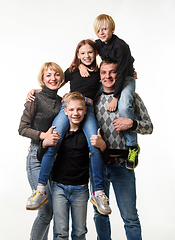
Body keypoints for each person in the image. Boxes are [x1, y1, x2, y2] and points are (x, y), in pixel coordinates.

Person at [26, 39, 111, 215]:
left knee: (94, 144)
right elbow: (54, 83)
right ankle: (40, 190)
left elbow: (111, 79)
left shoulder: (98, 72)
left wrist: (129, 74)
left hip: (87, 110)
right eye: (82, 53)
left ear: (95, 54)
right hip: (69, 109)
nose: (86, 56)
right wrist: (35, 91)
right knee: (53, 140)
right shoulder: (73, 70)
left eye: (90, 52)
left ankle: (98, 192)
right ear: (77, 55)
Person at [90, 58, 153, 240]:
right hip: (97, 165)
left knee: (130, 217)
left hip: (123, 165)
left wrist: (131, 123)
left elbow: (149, 127)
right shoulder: (93, 97)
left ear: (119, 74)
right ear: (99, 75)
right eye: (104, 72)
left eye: (113, 72)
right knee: (99, 215)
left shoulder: (130, 96)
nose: (108, 76)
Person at [81, 14, 139, 169]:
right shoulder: (98, 44)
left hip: (124, 77)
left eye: (105, 29)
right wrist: (80, 65)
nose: (101, 32)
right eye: (98, 30)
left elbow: (120, 74)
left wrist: (116, 97)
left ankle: (132, 146)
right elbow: (85, 53)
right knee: (87, 97)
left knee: (124, 105)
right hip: (101, 156)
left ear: (113, 29)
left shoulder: (121, 46)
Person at [18, 62, 64, 240]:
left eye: (57, 75)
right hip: (36, 158)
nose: (53, 78)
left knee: (51, 212)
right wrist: (43, 135)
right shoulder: (34, 99)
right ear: (42, 79)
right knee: (46, 210)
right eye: (48, 75)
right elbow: (22, 128)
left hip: (56, 159)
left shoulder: (62, 102)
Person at [36, 92, 90, 240]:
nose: (75, 113)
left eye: (79, 109)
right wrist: (44, 143)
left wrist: (102, 146)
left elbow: (99, 157)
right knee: (61, 232)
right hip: (59, 188)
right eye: (71, 110)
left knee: (79, 232)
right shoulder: (60, 133)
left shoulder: (88, 134)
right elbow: (41, 156)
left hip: (81, 189)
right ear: (65, 111)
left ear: (85, 110)